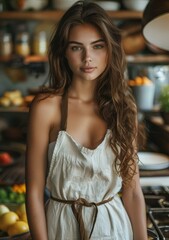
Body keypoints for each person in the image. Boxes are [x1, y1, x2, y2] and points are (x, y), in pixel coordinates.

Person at [25, 1, 148, 239]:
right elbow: (33, 193)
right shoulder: (46, 108)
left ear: (110, 49)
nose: (88, 58)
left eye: (97, 46)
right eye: (76, 47)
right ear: (64, 51)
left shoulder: (124, 107)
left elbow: (132, 192)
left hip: (113, 228)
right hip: (60, 228)